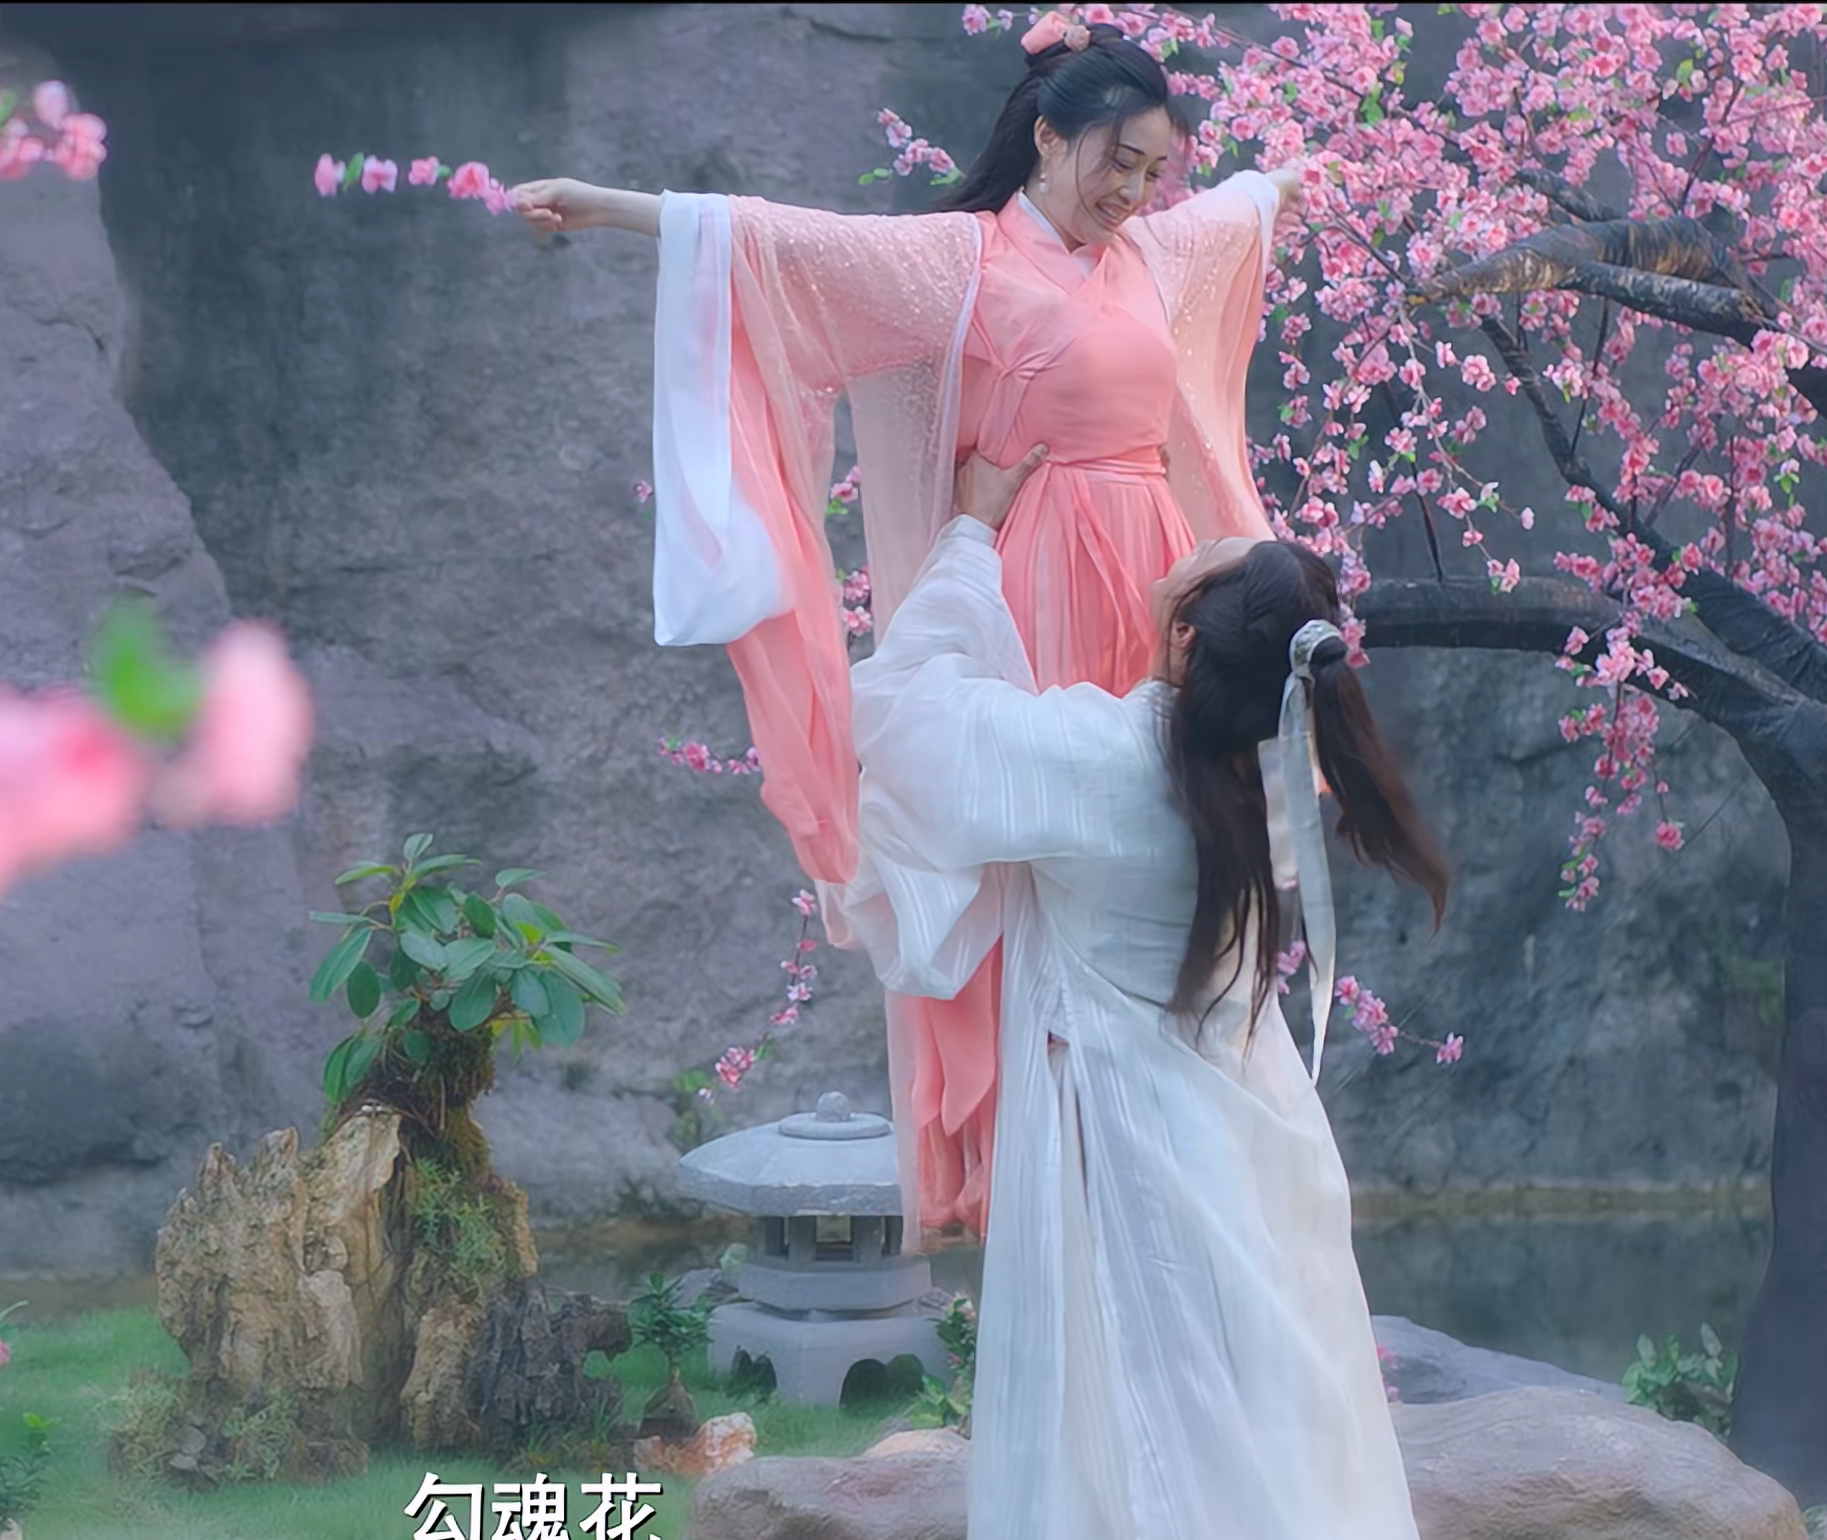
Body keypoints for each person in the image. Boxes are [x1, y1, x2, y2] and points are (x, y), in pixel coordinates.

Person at [509, 17, 1311, 1246]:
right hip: (1037, 582)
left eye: (1156, 169)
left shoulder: (1147, 253)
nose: (1137, 190)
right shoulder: (963, 262)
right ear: (1050, 138)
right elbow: (787, 244)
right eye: (1119, 161)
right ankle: (1045, 1159)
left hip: (1153, 576)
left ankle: (1170, 1141)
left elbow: (1236, 213)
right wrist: (610, 208)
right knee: (1037, 852)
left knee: (1166, 836)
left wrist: (1293, 180)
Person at [841, 446, 1450, 1540]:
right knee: (1253, 1441)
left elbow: (910, 721)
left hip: (1120, 1144)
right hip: (1246, 1138)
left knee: (1137, 1434)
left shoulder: (1101, 759)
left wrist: (970, 539)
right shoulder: (1267, 781)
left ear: (1183, 638)